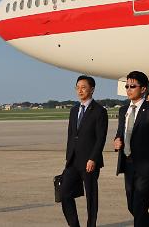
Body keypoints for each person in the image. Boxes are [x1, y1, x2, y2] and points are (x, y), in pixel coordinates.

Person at [113, 71, 149, 227]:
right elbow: (121, 132)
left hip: (147, 166)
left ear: (143, 89)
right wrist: (117, 141)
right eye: (127, 86)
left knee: (139, 206)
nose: (128, 89)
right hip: (128, 163)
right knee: (132, 205)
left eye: (132, 86)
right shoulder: (123, 110)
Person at [61, 75, 108, 227]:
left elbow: (101, 138)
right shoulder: (74, 110)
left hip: (89, 161)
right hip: (73, 161)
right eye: (77, 87)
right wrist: (68, 157)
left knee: (91, 197)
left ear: (92, 90)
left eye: (83, 87)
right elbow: (71, 135)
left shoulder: (99, 111)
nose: (80, 90)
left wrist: (93, 158)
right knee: (64, 193)